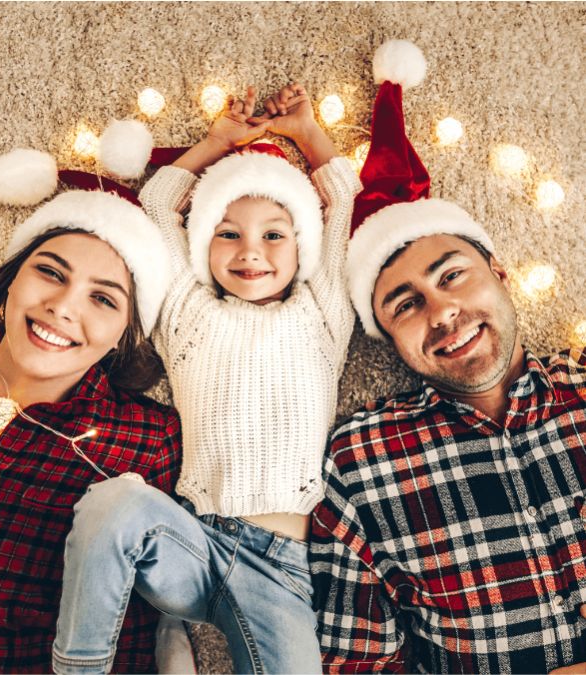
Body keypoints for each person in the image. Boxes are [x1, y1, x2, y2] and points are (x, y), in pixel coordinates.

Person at [51, 84, 361, 674]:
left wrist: (308, 134)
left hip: (281, 564)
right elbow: (159, 201)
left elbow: (342, 198)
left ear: (303, 248)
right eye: (228, 233)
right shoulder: (187, 312)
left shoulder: (324, 315)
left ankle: (175, 644)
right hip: (190, 540)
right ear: (202, 244)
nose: (251, 252)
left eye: (274, 234)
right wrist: (217, 141)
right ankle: (81, 667)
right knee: (116, 501)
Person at [310, 39, 586, 675]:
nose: (441, 312)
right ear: (384, 335)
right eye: (405, 305)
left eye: (453, 275)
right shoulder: (360, 463)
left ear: (499, 272)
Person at [0, 177, 182, 673]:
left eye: (103, 299)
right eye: (51, 273)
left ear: (125, 334)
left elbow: (140, 625)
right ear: (11, 279)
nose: (63, 306)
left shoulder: (148, 442)